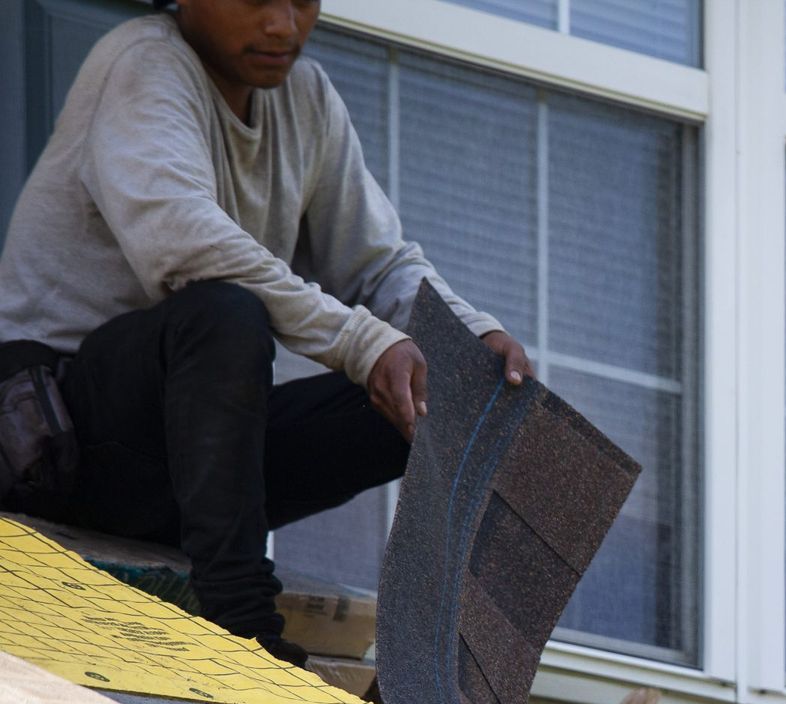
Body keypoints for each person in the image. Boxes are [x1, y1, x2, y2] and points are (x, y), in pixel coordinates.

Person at [0, 0, 532, 664]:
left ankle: (441, 665)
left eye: (302, 1)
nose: (283, 25)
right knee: (224, 313)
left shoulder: (306, 96)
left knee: (444, 388)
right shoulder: (143, 64)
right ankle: (243, 627)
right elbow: (186, 247)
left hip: (181, 471)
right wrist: (364, 343)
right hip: (53, 444)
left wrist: (472, 338)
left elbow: (376, 261)